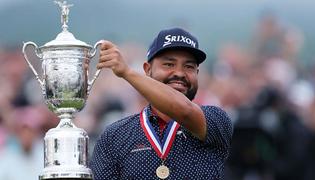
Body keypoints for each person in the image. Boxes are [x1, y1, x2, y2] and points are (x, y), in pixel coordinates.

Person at [89, 27, 233, 179]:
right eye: (169, 64)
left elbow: (185, 111)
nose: (179, 73)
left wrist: (127, 72)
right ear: (147, 70)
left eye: (189, 67)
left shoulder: (217, 119)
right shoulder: (115, 135)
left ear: (197, 74)